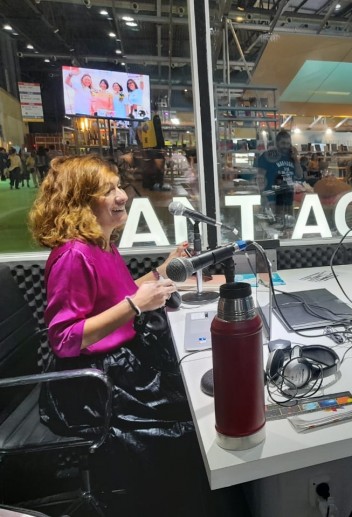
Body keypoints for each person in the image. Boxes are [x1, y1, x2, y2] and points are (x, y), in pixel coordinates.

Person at [27, 155, 220, 514]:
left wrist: (163, 269)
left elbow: (119, 294)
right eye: (108, 190)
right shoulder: (73, 256)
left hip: (121, 366)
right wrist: (135, 306)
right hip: (93, 386)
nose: (122, 196)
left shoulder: (101, 245)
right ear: (80, 203)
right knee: (186, 421)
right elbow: (65, 340)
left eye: (119, 187)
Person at [257, 130, 304, 222]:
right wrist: (263, 196)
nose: (286, 146)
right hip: (271, 199)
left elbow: (299, 175)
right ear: (277, 143)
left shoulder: (291, 157)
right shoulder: (267, 156)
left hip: (287, 199)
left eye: (288, 143)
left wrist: (296, 159)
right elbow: (260, 177)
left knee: (287, 227)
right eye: (283, 143)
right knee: (271, 227)